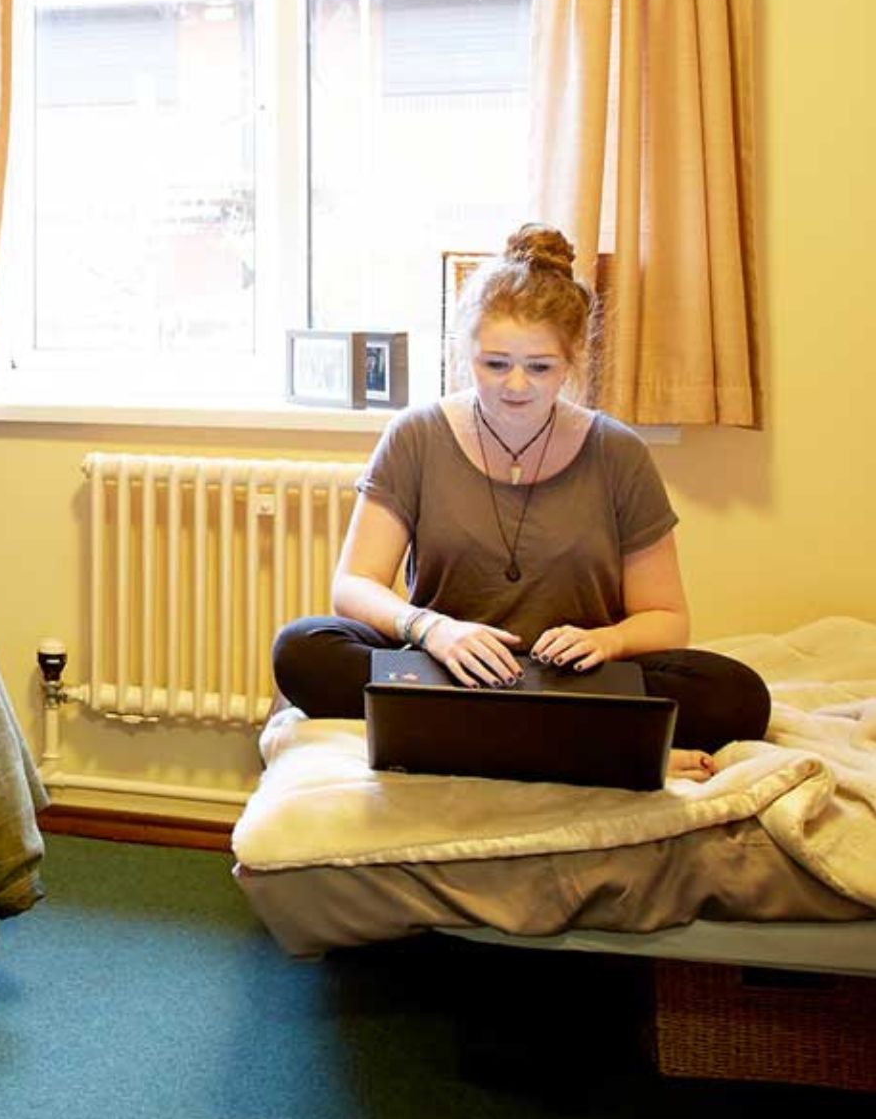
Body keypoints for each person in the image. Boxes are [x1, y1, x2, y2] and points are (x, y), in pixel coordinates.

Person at [271, 223, 768, 781]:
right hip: (448, 671)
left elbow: (667, 618)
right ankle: (594, 750)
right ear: (466, 353)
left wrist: (606, 641)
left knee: (737, 696)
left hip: (575, 683)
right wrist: (433, 630)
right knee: (302, 648)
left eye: (539, 367)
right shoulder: (416, 436)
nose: (515, 386)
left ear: (573, 360)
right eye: (495, 364)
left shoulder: (618, 453)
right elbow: (354, 585)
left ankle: (469, 741)